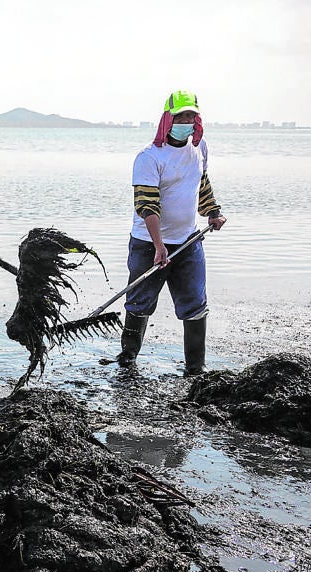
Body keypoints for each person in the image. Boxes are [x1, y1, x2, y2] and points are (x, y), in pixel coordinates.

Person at [117, 90, 226, 376]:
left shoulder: (199, 149)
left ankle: (196, 369)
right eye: (181, 116)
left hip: (189, 242)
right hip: (147, 244)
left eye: (192, 116)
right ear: (168, 119)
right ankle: (127, 361)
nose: (187, 121)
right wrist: (158, 246)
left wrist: (213, 212)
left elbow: (200, 183)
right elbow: (146, 205)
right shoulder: (149, 157)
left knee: (195, 305)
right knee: (139, 303)